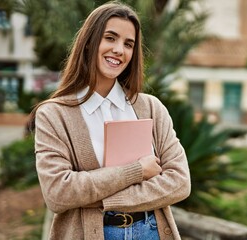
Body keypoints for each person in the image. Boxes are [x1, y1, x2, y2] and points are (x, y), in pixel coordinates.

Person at [31, 1, 190, 239]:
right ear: (89, 43)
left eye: (129, 44)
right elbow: (58, 192)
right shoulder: (53, 115)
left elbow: (179, 181)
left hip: (151, 231)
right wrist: (137, 171)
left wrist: (103, 198)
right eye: (110, 38)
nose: (119, 50)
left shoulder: (151, 108)